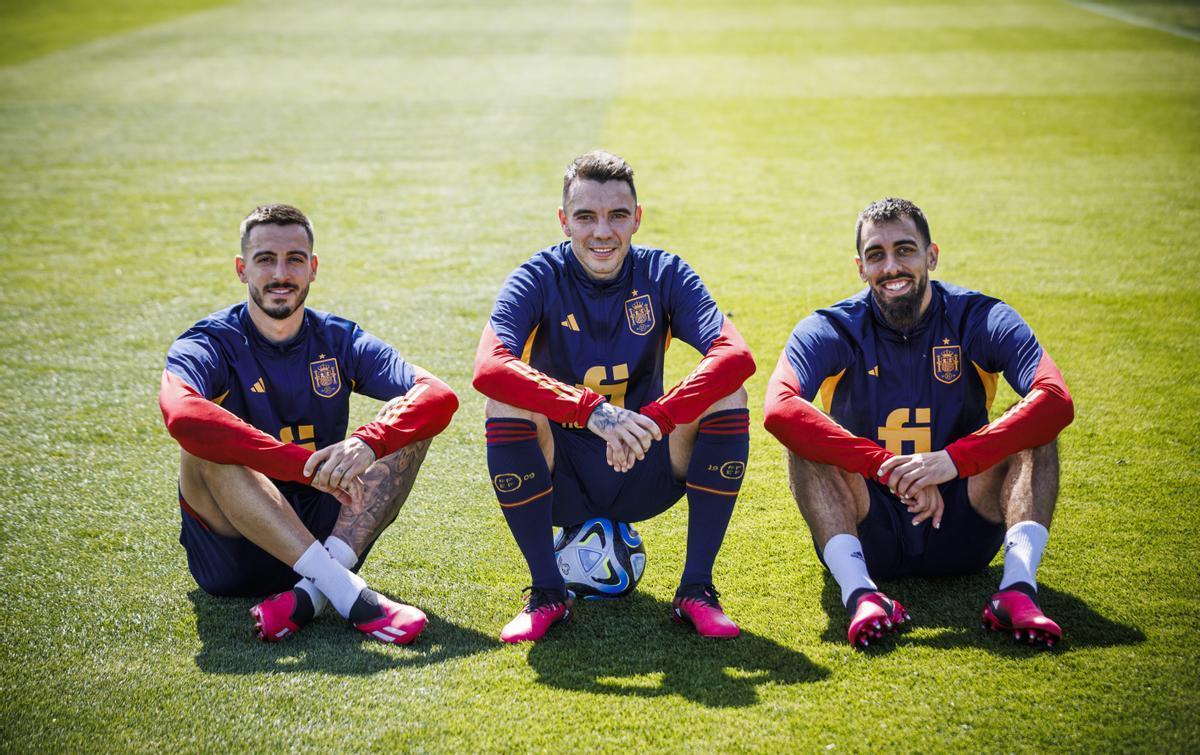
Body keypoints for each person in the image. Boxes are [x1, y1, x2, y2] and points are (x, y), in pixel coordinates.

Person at [763, 198, 1074, 649]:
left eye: (905, 250)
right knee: (803, 441)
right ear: (860, 267)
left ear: (931, 256)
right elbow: (779, 408)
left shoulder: (979, 317)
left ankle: (1017, 590)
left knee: (1035, 432)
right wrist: (887, 467)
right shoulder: (832, 327)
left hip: (963, 518)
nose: (891, 267)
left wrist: (953, 461)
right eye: (876, 255)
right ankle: (861, 593)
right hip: (872, 525)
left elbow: (1056, 399)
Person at [473, 151, 756, 642]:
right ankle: (547, 592)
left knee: (730, 394)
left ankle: (697, 590)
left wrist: (658, 418)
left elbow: (735, 355)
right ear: (564, 221)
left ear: (637, 219)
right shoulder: (537, 277)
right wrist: (593, 413)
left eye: (617, 216)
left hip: (646, 462)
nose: (602, 231)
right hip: (563, 470)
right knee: (503, 401)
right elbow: (489, 367)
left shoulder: (665, 274)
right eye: (586, 216)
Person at [158, 204, 458, 645]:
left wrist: (369, 442)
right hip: (236, 552)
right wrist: (302, 467)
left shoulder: (339, 339)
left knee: (409, 422)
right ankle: (348, 595)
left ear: (313, 268)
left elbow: (439, 396)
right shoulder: (210, 342)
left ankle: (307, 596)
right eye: (265, 260)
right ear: (242, 269)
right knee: (204, 446)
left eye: (295, 259)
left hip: (327, 526)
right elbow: (181, 414)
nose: (281, 273)